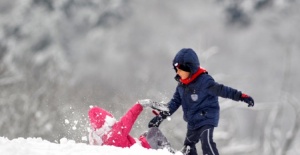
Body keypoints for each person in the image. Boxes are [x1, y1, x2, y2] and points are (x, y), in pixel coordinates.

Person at [148, 48, 255, 155]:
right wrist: (160, 117)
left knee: (206, 143)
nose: (178, 72)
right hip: (193, 121)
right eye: (176, 69)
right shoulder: (181, 86)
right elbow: (174, 103)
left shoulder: (205, 81)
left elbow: (223, 90)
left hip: (206, 118)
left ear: (190, 68)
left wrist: (241, 96)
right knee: (188, 148)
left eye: (180, 69)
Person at [88, 99, 173, 151]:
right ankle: (170, 152)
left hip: (136, 145)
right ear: (106, 119)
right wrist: (140, 104)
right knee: (154, 131)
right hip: (144, 149)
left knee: (145, 134)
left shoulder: (101, 140)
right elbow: (130, 116)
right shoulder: (115, 133)